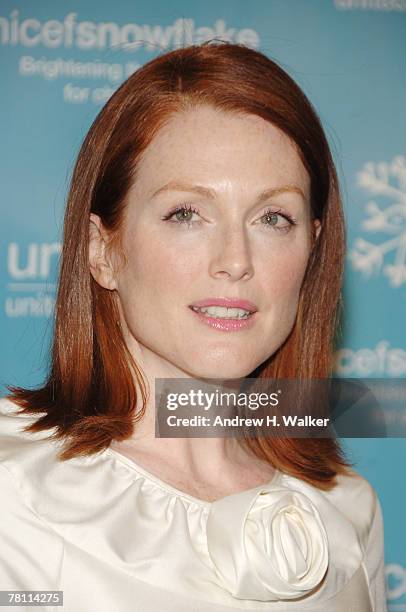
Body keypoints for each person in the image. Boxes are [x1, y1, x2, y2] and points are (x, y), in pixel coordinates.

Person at [0, 42, 386, 611]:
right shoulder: (11, 491)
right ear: (101, 249)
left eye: (273, 217)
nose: (235, 259)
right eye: (187, 213)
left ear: (313, 250)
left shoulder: (348, 507)